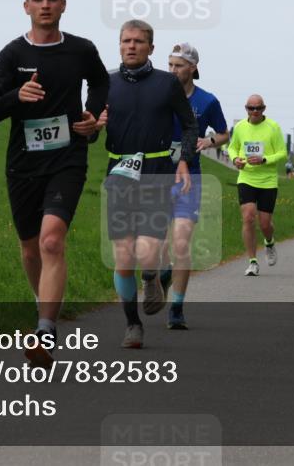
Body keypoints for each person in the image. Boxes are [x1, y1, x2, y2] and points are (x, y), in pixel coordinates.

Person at [0, 0, 108, 367]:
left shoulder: (82, 50)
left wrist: (94, 118)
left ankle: (45, 331)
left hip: (67, 157)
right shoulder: (12, 55)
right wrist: (17, 96)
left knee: (52, 241)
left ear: (64, 5)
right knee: (30, 247)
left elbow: (102, 83)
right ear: (26, 7)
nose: (46, 4)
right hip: (23, 163)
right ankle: (44, 306)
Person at [102, 20, 198, 349]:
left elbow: (189, 126)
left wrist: (184, 159)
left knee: (147, 251)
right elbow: (86, 128)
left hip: (158, 170)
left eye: (139, 42)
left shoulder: (166, 84)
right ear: (119, 45)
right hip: (119, 171)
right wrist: (90, 127)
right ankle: (132, 324)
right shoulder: (106, 83)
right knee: (123, 254)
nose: (131, 46)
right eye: (126, 41)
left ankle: (152, 275)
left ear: (150, 48)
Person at [140, 42, 231, 330]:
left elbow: (223, 133)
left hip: (189, 175)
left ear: (192, 68)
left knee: (181, 241)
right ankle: (163, 273)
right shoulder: (157, 94)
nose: (172, 70)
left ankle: (176, 307)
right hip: (157, 174)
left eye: (178, 65)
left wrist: (209, 141)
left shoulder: (207, 101)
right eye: (169, 65)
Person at [228, 94, 286, 276]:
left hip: (268, 181)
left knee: (265, 223)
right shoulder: (239, 127)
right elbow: (231, 147)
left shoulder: (273, 127)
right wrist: (235, 159)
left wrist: (264, 159)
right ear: (246, 108)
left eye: (258, 108)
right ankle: (252, 261)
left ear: (264, 109)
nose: (254, 112)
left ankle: (269, 243)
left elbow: (282, 153)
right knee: (248, 217)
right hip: (246, 178)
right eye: (250, 108)